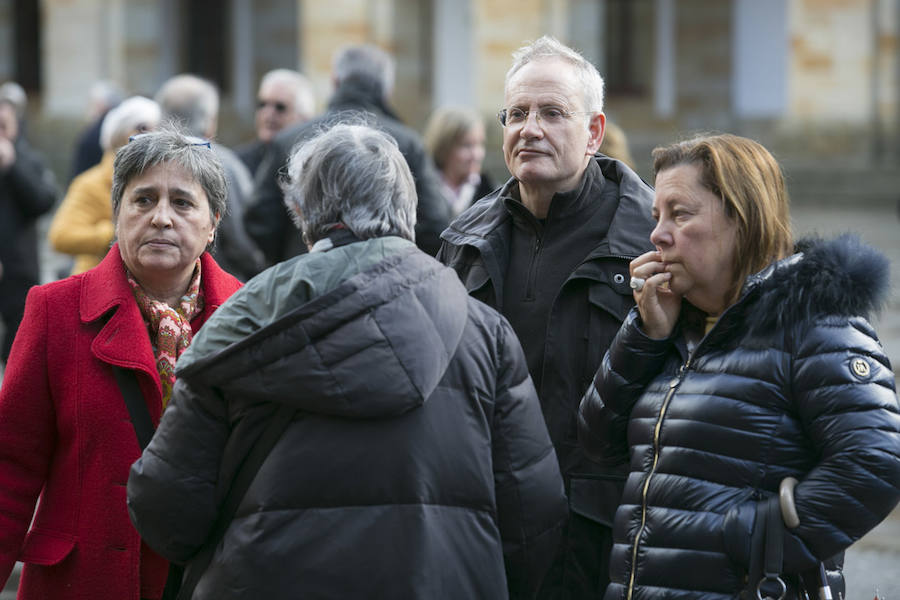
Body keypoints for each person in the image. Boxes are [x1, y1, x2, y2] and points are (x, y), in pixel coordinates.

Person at [127, 123, 568, 599]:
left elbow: (167, 506)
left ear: (301, 212)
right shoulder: (485, 333)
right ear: (408, 211)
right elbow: (533, 515)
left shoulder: (239, 320)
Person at [578, 133, 900, 599]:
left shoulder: (814, 324)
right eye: (657, 216)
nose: (657, 234)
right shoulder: (674, 326)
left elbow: (876, 463)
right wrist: (645, 335)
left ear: (741, 218)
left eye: (680, 214)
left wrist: (756, 540)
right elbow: (595, 441)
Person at [437, 36, 656, 598]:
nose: (529, 128)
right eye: (517, 113)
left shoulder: (651, 244)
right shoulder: (462, 243)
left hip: (602, 537)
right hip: (482, 528)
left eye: (553, 113)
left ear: (594, 132)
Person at [0, 126, 242, 599]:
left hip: (202, 581)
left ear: (213, 223)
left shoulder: (248, 314)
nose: (161, 218)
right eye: (144, 200)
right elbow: (10, 468)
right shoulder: (55, 310)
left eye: (183, 203)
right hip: (81, 581)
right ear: (117, 213)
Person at [246, 44, 450, 264]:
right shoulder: (408, 143)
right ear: (387, 90)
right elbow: (434, 225)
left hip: (307, 280)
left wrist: (289, 260)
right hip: (387, 277)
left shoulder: (290, 139)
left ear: (335, 81)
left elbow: (260, 218)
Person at [156, 73, 266, 280]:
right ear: (209, 121)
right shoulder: (225, 165)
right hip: (220, 292)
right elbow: (242, 238)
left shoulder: (140, 162)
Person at [49, 95, 161, 275]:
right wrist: (112, 233)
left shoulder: (162, 179)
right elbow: (61, 237)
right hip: (97, 283)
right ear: (119, 135)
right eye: (142, 128)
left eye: (157, 128)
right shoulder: (91, 183)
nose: (151, 136)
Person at [0, 97, 56, 367]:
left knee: (17, 343)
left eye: (3, 126)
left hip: (19, 267)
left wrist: (12, 167)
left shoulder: (27, 160)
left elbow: (43, 201)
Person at [235, 68, 315, 174]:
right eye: (262, 105)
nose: (268, 114)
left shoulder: (313, 165)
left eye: (280, 107)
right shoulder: (238, 163)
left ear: (304, 118)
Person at [424, 106, 496, 218]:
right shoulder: (423, 190)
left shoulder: (492, 194)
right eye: (467, 145)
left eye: (480, 144)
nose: (476, 155)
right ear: (444, 147)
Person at [70, 80, 125, 180]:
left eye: (91, 103)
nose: (88, 109)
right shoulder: (115, 128)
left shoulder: (94, 133)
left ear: (102, 105)